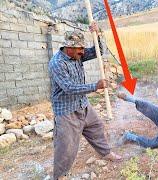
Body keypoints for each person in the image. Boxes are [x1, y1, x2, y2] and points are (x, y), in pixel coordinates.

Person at [48, 22, 121, 180]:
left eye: (83, 48)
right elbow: (69, 88)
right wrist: (95, 86)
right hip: (66, 110)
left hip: (82, 104)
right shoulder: (57, 63)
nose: (83, 51)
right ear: (69, 48)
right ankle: (60, 176)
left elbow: (99, 51)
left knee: (96, 127)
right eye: (80, 49)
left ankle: (106, 153)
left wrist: (98, 34)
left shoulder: (77, 55)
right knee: (66, 146)